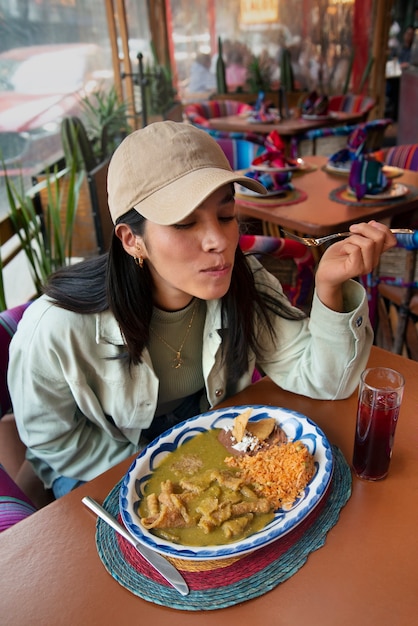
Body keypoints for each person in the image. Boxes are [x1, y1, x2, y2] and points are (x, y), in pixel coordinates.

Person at [8, 121, 396, 499]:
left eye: (226, 216)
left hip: (202, 435)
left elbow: (329, 381)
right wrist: (158, 468)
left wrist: (329, 286)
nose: (219, 240)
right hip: (100, 462)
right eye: (184, 223)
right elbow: (52, 438)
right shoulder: (57, 327)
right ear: (132, 240)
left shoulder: (245, 281)